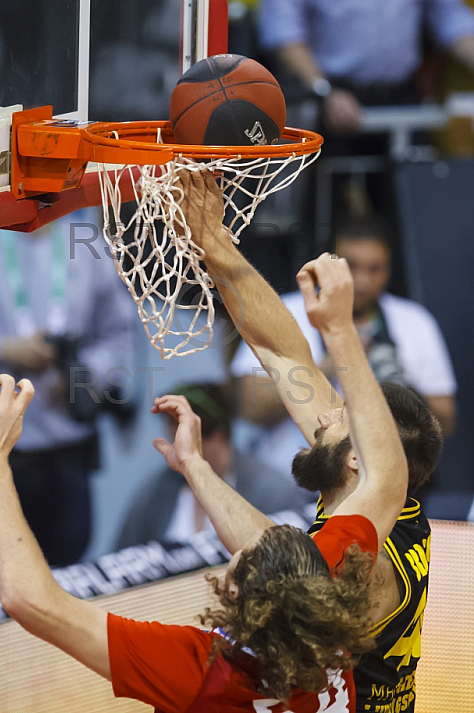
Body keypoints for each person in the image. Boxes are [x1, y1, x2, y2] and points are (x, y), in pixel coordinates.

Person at [0, 257, 407, 711]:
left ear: (239, 600)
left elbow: (29, 600)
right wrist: (196, 466)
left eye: (247, 552)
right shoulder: (335, 623)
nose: (241, 543)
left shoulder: (200, 674)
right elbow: (390, 479)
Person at [173, 168, 443, 713]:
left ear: (355, 463)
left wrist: (341, 331)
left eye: (338, 420)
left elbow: (276, 556)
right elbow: (283, 354)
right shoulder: (365, 495)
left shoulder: (369, 571)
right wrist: (214, 240)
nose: (321, 418)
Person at [0, 218, 135, 583]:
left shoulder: (88, 241)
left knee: (68, 579)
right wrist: (1, 348)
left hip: (68, 456)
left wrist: (83, 375)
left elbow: (118, 335)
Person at [231, 215, 456, 476]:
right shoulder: (284, 311)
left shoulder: (414, 322)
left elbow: (446, 422)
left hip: (381, 482)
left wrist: (399, 385)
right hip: (288, 482)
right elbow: (251, 407)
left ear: (390, 268)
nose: (361, 281)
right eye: (352, 267)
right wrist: (337, 359)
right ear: (328, 263)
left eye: (375, 269)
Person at [258, 0, 474, 135]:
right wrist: (323, 91)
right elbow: (282, 25)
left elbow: (449, 12)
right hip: (330, 98)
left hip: (404, 99)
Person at [115, 381, 311, 550]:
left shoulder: (272, 491)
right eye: (172, 438)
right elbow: (120, 560)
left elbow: (298, 561)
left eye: (182, 440)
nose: (176, 449)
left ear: (218, 434)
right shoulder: (157, 491)